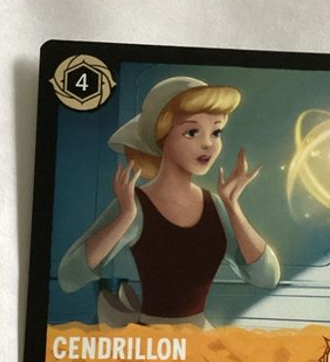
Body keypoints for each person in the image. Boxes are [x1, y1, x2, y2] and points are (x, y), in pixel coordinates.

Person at [58, 76, 280, 328]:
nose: (208, 144)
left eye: (216, 132)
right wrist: (126, 217)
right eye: (192, 132)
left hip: (202, 338)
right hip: (153, 340)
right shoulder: (136, 204)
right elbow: (69, 277)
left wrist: (233, 208)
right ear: (162, 137)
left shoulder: (216, 206)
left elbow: (268, 277)